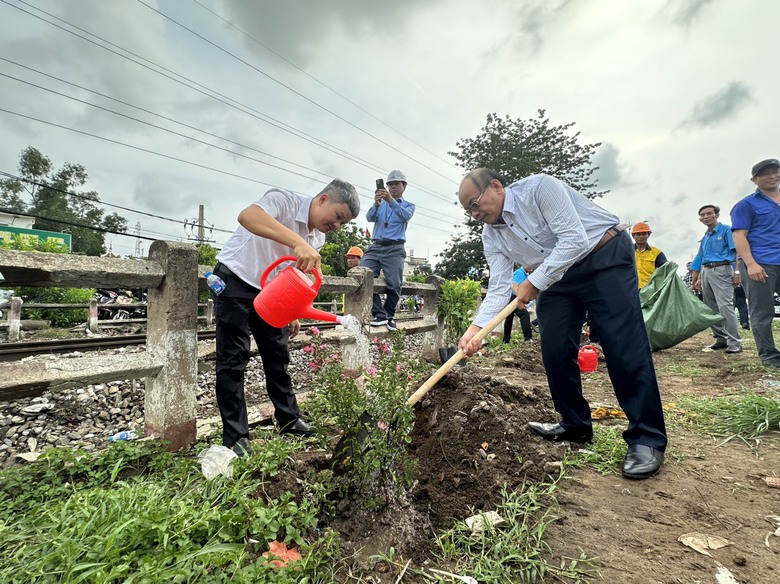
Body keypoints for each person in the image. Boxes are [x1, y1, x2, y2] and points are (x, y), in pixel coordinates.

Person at [457, 169, 667, 480]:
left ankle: (646, 438)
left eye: (475, 204)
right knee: (554, 349)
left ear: (497, 187)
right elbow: (500, 285)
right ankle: (575, 425)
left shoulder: (540, 188)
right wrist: (476, 330)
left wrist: (533, 282)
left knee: (623, 345)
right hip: (555, 276)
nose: (475, 215)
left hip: (602, 257)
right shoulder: (491, 235)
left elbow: (574, 239)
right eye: (468, 211)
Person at [212, 179, 360, 456]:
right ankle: (235, 437)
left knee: (277, 355)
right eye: (338, 217)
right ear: (323, 199)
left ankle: (289, 419)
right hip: (236, 280)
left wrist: (293, 309)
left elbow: (291, 274)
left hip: (273, 294)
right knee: (234, 358)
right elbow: (248, 216)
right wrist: (297, 242)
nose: (337, 226)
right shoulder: (283, 201)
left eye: (344, 223)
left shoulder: (318, 238)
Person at [731, 158, 780, 367]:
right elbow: (739, 236)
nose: (772, 176)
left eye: (775, 171)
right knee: (762, 311)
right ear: (755, 179)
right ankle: (770, 357)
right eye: (766, 173)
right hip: (761, 262)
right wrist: (750, 264)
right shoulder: (746, 205)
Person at [361, 170, 415, 331]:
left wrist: (390, 200)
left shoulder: (408, 205)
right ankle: (379, 314)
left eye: (396, 184)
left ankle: (389, 314)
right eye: (390, 184)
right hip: (376, 246)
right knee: (363, 274)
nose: (393, 187)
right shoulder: (381, 204)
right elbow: (370, 218)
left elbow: (404, 216)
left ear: (404, 186)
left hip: (395, 248)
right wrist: (376, 204)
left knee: (394, 283)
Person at [689, 205, 742, 353]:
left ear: (716, 215)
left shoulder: (726, 230)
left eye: (709, 214)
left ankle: (734, 342)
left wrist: (737, 272)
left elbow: (737, 250)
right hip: (706, 271)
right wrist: (698, 279)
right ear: (700, 219)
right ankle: (721, 338)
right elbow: (701, 258)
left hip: (722, 269)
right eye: (702, 215)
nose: (706, 217)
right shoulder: (705, 237)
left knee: (725, 306)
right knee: (711, 308)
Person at [632, 222, 667, 288]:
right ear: (633, 236)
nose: (641, 236)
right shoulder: (627, 251)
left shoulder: (656, 253)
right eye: (638, 234)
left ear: (648, 235)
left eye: (644, 234)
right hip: (630, 289)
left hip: (649, 290)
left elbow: (666, 271)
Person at [503, 266, 533, 343]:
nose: (531, 267)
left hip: (510, 297)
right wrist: (520, 299)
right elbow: (515, 286)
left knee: (509, 318)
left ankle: (506, 340)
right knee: (524, 315)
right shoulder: (520, 273)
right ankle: (528, 338)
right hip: (513, 297)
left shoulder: (525, 274)